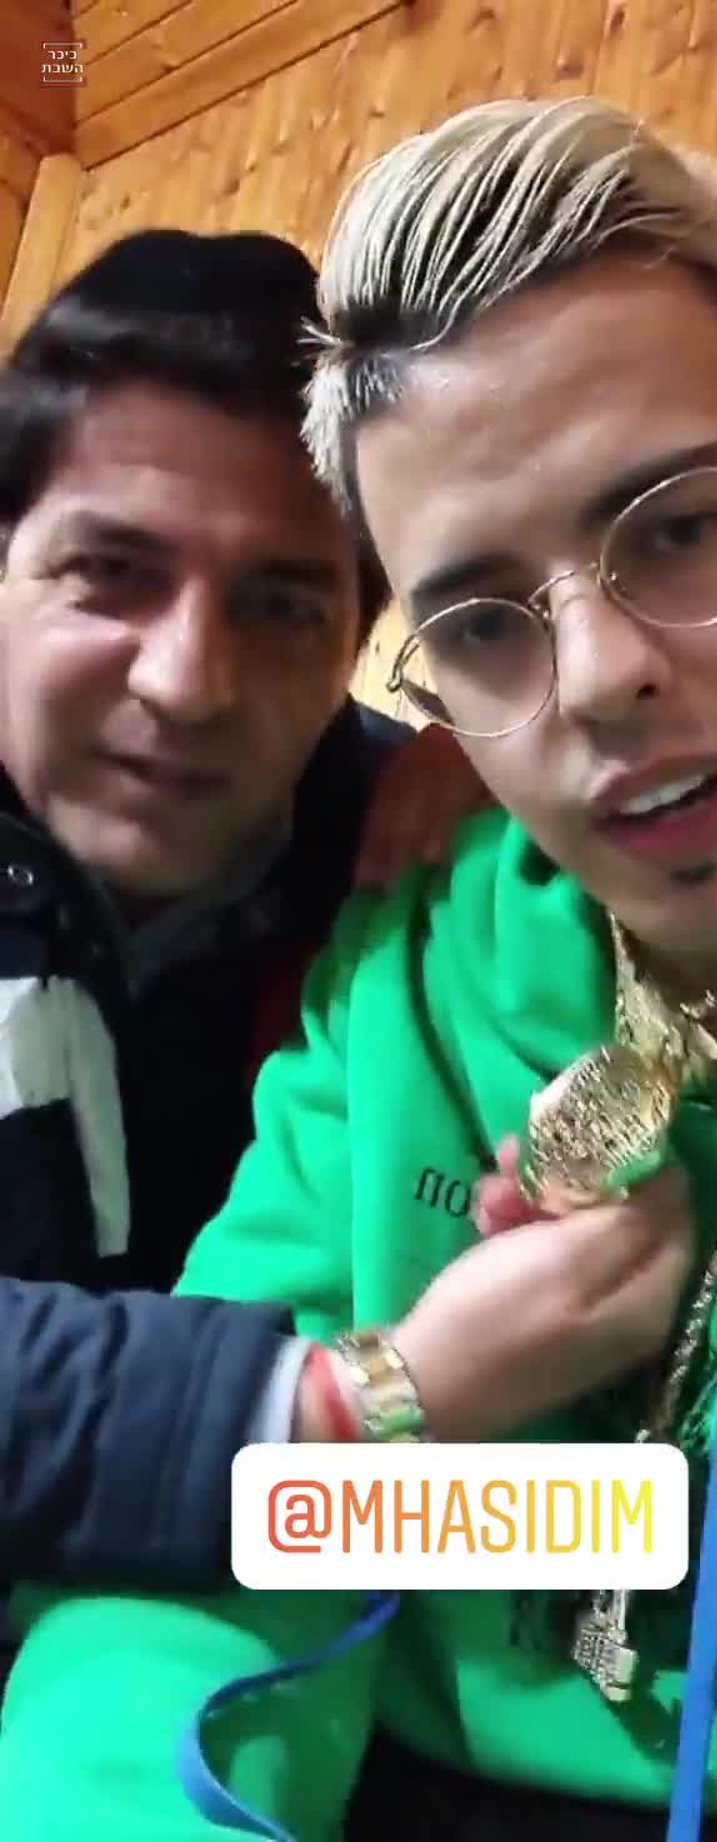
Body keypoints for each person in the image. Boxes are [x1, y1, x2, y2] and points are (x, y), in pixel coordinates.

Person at [2, 96, 717, 1842]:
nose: (600, 676)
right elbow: (218, 1559)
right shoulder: (406, 979)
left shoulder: (378, 836)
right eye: (484, 621)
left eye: (678, 525)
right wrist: (388, 1411)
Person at [0, 225, 485, 1590]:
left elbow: (593, 1518)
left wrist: (530, 760)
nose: (188, 682)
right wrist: (330, 1415)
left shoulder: (432, 872)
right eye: (111, 572)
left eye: (280, 606)